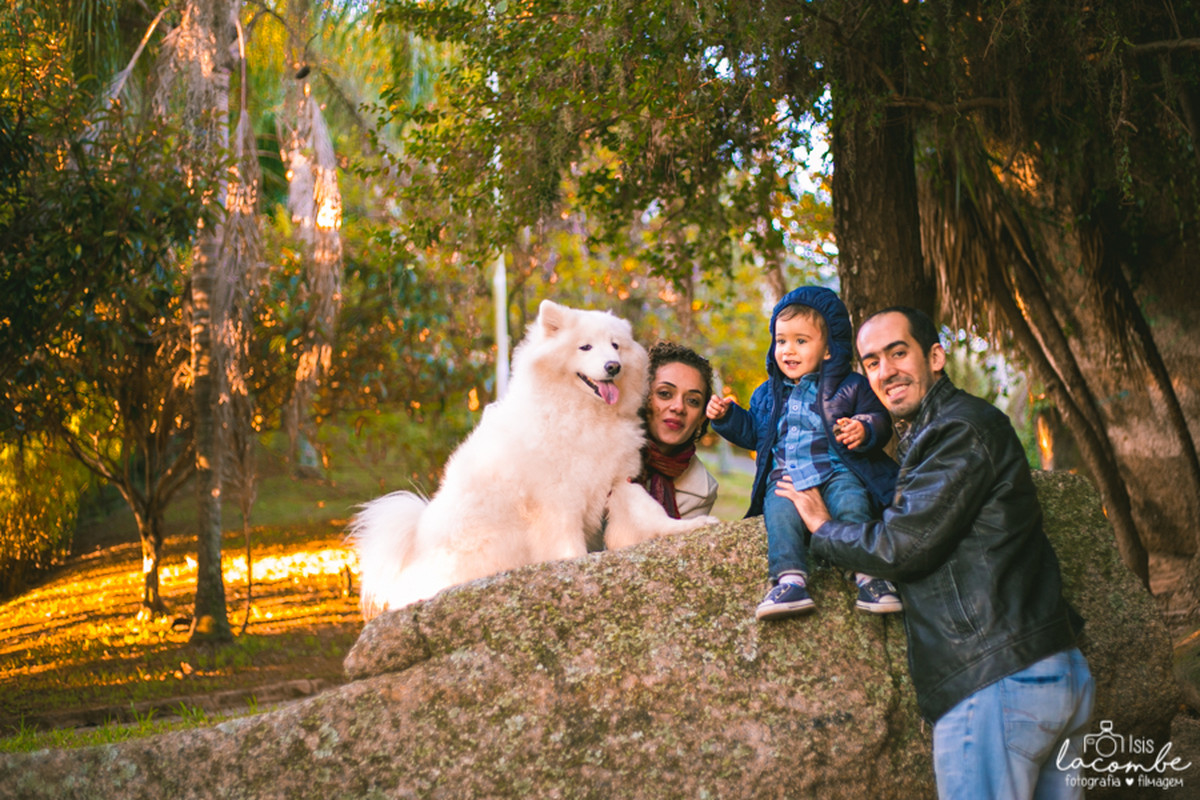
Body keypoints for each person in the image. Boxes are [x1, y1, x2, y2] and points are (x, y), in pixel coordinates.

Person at [777, 306, 1094, 799]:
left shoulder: (958, 428)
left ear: (936, 357)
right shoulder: (949, 427)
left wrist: (823, 526)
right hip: (1042, 671)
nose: (886, 371)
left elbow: (903, 546)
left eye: (898, 353)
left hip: (996, 681)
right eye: (872, 362)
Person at [706, 286, 901, 620]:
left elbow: (880, 419)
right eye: (781, 341)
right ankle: (790, 580)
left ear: (828, 349)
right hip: (787, 477)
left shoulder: (851, 385)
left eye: (801, 340)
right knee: (779, 515)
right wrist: (727, 417)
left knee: (853, 504)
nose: (788, 350)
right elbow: (754, 433)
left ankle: (870, 577)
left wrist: (864, 427)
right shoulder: (767, 394)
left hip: (838, 471)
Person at [637, 341, 720, 520]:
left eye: (693, 401)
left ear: (701, 418)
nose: (679, 407)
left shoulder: (702, 491)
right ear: (641, 396)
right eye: (665, 393)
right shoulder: (601, 449)